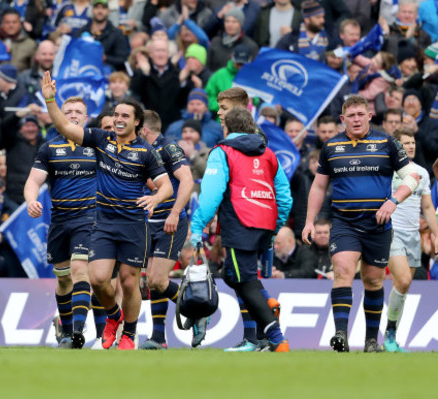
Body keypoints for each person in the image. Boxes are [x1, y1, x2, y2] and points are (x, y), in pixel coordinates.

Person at [41, 71, 173, 350]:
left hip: (133, 226)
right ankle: (113, 315)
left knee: (129, 282)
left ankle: (130, 333)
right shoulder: (102, 139)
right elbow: (66, 128)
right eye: (117, 116)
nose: (119, 120)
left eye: (125, 116)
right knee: (99, 279)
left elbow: (166, 187)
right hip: (102, 224)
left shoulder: (146, 152)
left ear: (137, 122)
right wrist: (51, 101)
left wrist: (155, 199)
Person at [301, 95, 421, 353]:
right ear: (342, 119)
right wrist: (309, 221)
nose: (356, 119)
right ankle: (340, 335)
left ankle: (370, 341)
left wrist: (393, 201)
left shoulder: (387, 143)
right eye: (350, 116)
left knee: (373, 280)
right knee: (343, 269)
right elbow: (319, 185)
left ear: (369, 116)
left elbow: (412, 177)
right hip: (344, 222)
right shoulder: (331, 147)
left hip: (378, 224)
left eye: (360, 114)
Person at [190, 107, 292, 352]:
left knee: (243, 279)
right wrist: (275, 227)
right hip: (265, 223)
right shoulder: (268, 154)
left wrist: (196, 226)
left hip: (239, 222)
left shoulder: (222, 152)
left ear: (226, 128)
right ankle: (267, 301)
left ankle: (277, 339)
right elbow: (285, 198)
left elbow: (211, 194)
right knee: (233, 274)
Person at [25, 96, 97, 349]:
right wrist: (31, 200)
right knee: (64, 279)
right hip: (60, 219)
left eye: (79, 112)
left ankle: (77, 331)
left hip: (88, 218)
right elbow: (33, 181)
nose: (73, 115)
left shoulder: (97, 145)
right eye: (68, 111)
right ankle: (65, 329)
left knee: (80, 271)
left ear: (86, 118)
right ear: (60, 116)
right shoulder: (49, 149)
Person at [138, 110, 194, 349]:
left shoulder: (168, 149)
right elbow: (153, 183)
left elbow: (188, 180)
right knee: (152, 281)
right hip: (151, 221)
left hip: (171, 221)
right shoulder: (143, 152)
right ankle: (159, 338)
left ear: (144, 130)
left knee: (159, 280)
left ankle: (199, 310)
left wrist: (174, 212)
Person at [383, 128, 438, 352]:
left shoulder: (422, 173)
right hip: (391, 232)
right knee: (403, 280)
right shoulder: (387, 171)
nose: (411, 146)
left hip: (413, 235)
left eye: (413, 142)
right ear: (396, 146)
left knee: (402, 288)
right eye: (405, 143)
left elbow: (427, 207)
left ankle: (391, 334)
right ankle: (386, 333)